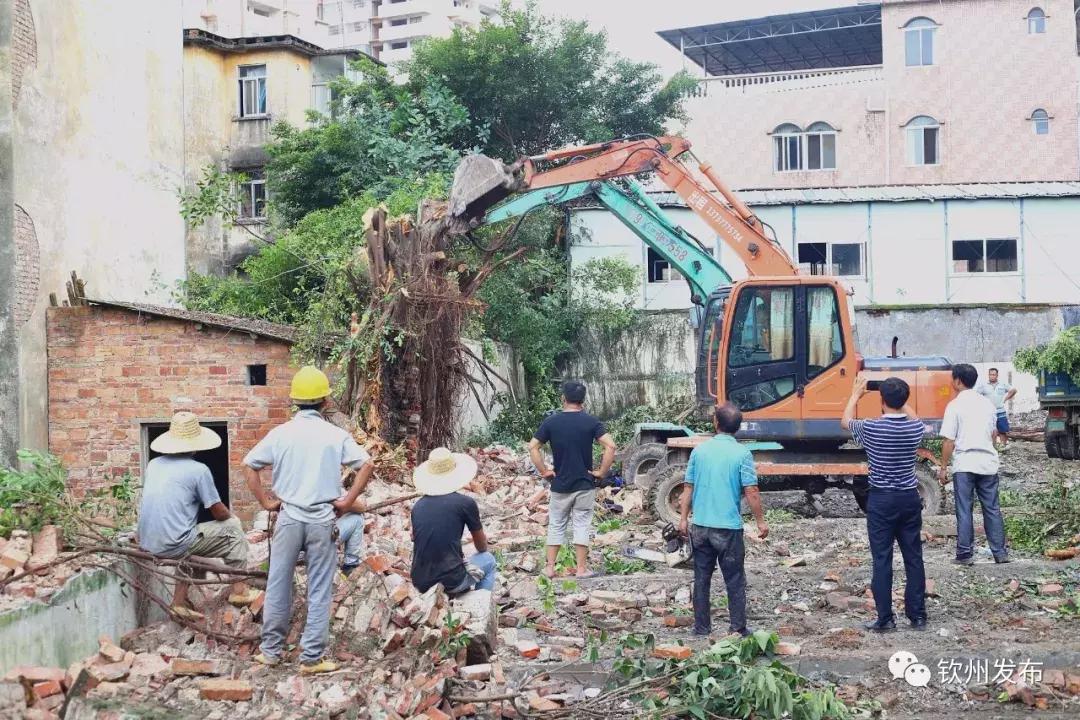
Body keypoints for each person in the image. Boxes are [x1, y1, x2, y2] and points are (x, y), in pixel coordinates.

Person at [244, 366, 375, 674]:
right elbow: (366, 465)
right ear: (325, 402)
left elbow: (248, 465)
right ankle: (311, 658)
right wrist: (347, 500)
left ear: (295, 402)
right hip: (321, 520)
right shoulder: (335, 435)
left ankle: (271, 652)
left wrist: (265, 502)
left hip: (288, 517)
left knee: (278, 584)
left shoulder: (280, 434)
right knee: (319, 588)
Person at [137, 411, 256, 620]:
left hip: (148, 541)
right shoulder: (198, 470)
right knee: (234, 526)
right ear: (195, 443)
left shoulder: (153, 465)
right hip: (174, 543)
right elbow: (219, 512)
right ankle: (240, 591)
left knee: (189, 546)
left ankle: (178, 603)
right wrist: (229, 516)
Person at [842, 376, 928, 632]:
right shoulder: (915, 429)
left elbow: (844, 421)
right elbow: (913, 418)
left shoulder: (871, 428)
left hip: (881, 499)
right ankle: (918, 615)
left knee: (882, 559)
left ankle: (885, 618)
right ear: (903, 401)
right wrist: (902, 401)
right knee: (914, 557)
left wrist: (856, 395)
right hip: (909, 497)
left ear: (881, 400)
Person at [677, 402, 767, 638]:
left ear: (715, 423)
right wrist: (760, 522)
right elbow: (752, 491)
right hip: (728, 528)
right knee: (735, 579)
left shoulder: (699, 451)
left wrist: (683, 519)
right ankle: (737, 627)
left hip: (701, 526)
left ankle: (701, 628)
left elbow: (688, 487)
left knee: (701, 578)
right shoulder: (742, 453)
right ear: (738, 427)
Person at [528, 381, 617, 579]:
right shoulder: (591, 422)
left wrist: (544, 471)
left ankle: (550, 568)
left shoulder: (551, 422)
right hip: (584, 484)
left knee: (557, 524)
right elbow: (610, 446)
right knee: (582, 525)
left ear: (563, 399)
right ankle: (581, 569)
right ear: (583, 401)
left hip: (560, 485)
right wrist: (601, 472)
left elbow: (533, 447)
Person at [939, 363, 1009, 565]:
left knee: (964, 509)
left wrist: (943, 467)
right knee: (992, 508)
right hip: (988, 462)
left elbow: (948, 441)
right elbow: (994, 433)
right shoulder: (987, 404)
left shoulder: (954, 406)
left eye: (953, 379)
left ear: (958, 381)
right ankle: (1000, 553)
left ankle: (964, 554)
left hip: (965, 463)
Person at [410, 447, 497, 595]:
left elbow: (418, 539)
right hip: (450, 581)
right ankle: (479, 605)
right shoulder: (465, 503)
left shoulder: (417, 506)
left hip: (420, 582)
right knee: (488, 560)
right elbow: (482, 547)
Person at [976, 368, 1017, 448]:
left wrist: (1005, 399)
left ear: (997, 375)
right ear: (988, 375)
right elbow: (976, 395)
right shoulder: (983, 385)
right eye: (990, 374)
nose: (992, 376)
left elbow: (1013, 390)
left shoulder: (1002, 384)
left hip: (1000, 411)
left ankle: (1002, 447)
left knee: (1003, 430)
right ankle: (992, 447)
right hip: (988, 412)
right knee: (990, 430)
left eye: (994, 374)